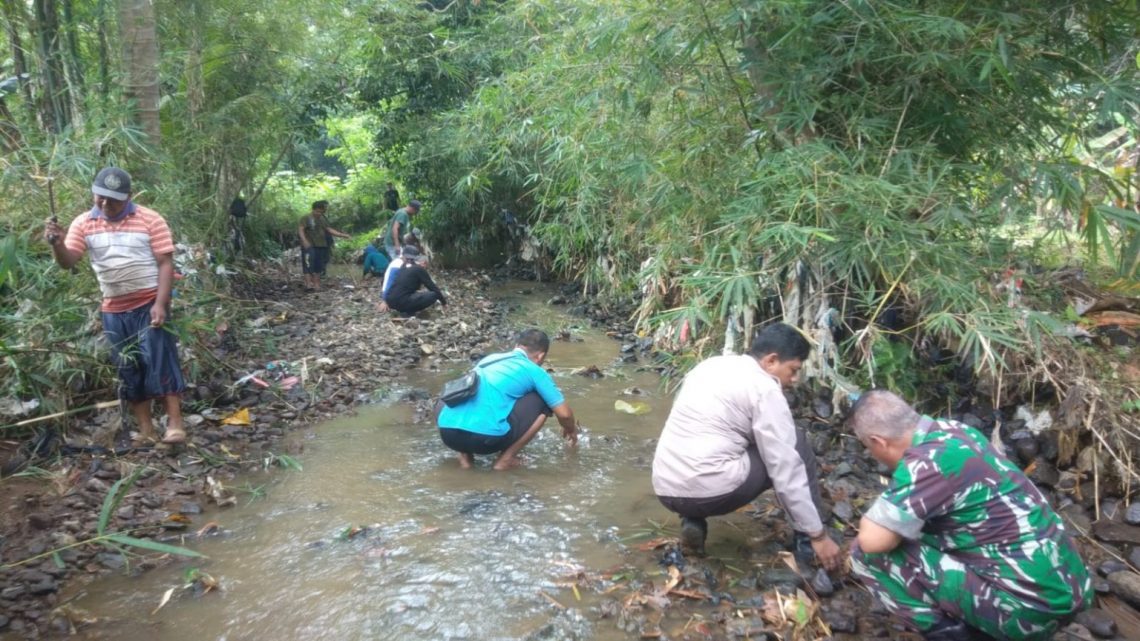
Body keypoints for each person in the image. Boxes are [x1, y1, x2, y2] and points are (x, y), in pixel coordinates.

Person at [847, 390, 1092, 641]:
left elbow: (872, 541)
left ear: (879, 441)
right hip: (1073, 589)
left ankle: (952, 635)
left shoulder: (926, 462)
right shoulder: (956, 431)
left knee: (865, 554)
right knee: (918, 529)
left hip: (1030, 614)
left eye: (869, 447)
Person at [651, 323, 840, 569]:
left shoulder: (710, 366)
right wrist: (819, 534)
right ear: (771, 361)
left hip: (665, 487)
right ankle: (807, 544)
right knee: (796, 443)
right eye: (793, 370)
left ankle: (692, 521)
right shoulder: (765, 389)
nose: (794, 380)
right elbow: (786, 468)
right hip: (710, 494)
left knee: (710, 448)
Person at [43, 167, 188, 444]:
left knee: (161, 360)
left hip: (148, 303)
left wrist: (160, 304)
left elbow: (165, 263)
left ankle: (175, 425)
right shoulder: (84, 223)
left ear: (128, 197)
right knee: (128, 367)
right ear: (93, 193)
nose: (105, 204)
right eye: (100, 197)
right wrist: (57, 245)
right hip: (113, 309)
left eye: (114, 199)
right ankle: (146, 430)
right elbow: (68, 261)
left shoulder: (150, 219)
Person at [437, 329, 579, 470]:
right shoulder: (534, 370)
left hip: (448, 435)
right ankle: (506, 459)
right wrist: (571, 430)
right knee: (543, 400)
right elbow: (564, 414)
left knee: (472, 396)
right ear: (541, 356)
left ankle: (465, 458)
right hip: (485, 440)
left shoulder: (488, 360)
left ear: (516, 346)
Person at [298, 200, 350, 290]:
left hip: (321, 245)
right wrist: (304, 241)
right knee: (308, 264)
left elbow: (329, 229)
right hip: (309, 245)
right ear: (313, 209)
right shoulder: (306, 218)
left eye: (321, 212)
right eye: (317, 211)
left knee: (318, 266)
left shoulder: (322, 219)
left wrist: (342, 235)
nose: (319, 214)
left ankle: (316, 284)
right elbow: (301, 230)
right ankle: (308, 284)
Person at [385, 251, 447, 316]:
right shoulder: (419, 269)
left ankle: (403, 311)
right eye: (426, 266)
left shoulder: (404, 267)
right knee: (433, 295)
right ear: (424, 263)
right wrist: (444, 302)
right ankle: (408, 312)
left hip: (390, 301)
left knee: (414, 294)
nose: (426, 268)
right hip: (402, 301)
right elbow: (432, 287)